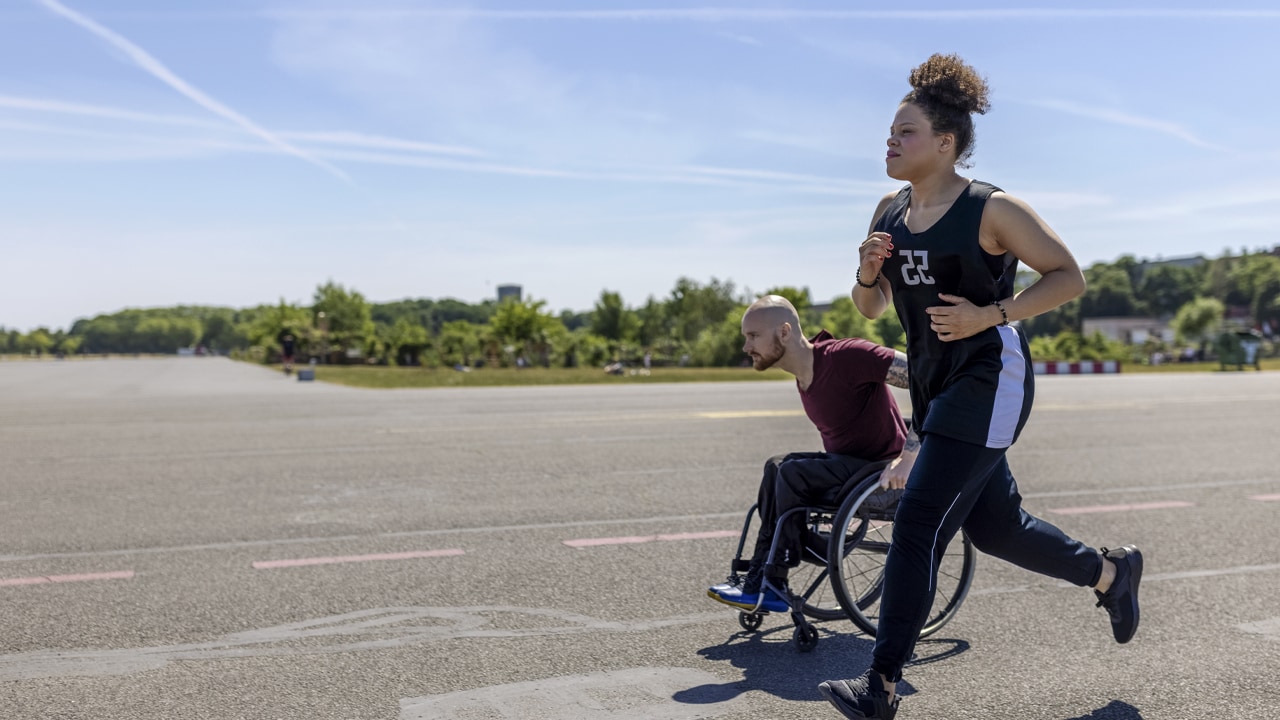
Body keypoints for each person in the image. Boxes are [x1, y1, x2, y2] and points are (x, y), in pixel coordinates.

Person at [817, 54, 1142, 720]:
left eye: (903, 132)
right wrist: (866, 271)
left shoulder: (991, 208)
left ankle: (879, 686)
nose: (889, 142)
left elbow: (1067, 277)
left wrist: (987, 315)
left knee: (918, 521)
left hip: (990, 377)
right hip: (935, 384)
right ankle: (1111, 573)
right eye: (890, 131)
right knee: (997, 529)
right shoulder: (891, 208)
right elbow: (869, 309)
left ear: (945, 143)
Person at [706, 295, 920, 613]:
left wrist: (911, 452)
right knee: (776, 466)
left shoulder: (847, 356)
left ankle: (775, 580)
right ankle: (759, 577)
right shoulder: (804, 374)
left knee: (793, 473)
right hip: (849, 468)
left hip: (881, 474)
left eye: (753, 336)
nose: (746, 347)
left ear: (784, 332)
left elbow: (928, 379)